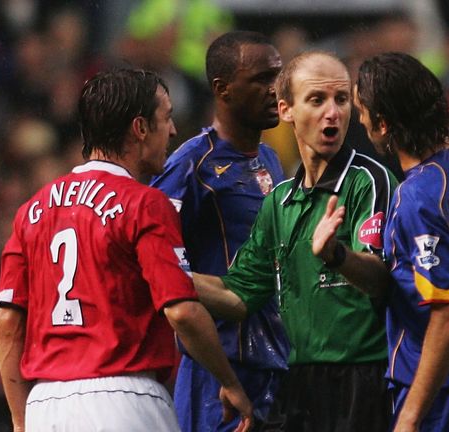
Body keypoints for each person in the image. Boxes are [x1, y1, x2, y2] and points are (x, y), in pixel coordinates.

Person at [0, 68, 253, 432]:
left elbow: (6, 324)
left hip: (44, 404)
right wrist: (230, 382)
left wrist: (21, 422)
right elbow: (181, 311)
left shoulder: (31, 211)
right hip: (124, 398)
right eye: (167, 117)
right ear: (140, 128)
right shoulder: (145, 204)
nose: (174, 131)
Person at [192, 51, 397, 431]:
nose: (332, 112)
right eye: (317, 100)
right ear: (286, 110)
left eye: (341, 99)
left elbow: (381, 280)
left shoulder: (369, 181)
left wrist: (336, 255)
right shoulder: (279, 200)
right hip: (297, 380)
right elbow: (239, 296)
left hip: (361, 380)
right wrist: (168, 277)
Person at [331, 51, 449, 431]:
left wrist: (411, 416)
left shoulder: (419, 193)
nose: (360, 121)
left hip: (445, 391)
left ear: (382, 124)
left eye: (362, 112)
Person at [150, 31, 289, 432]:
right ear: (222, 89)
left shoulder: (270, 159)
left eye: (277, 77)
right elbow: (149, 259)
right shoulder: (192, 165)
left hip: (272, 365)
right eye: (261, 79)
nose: (273, 90)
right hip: (217, 374)